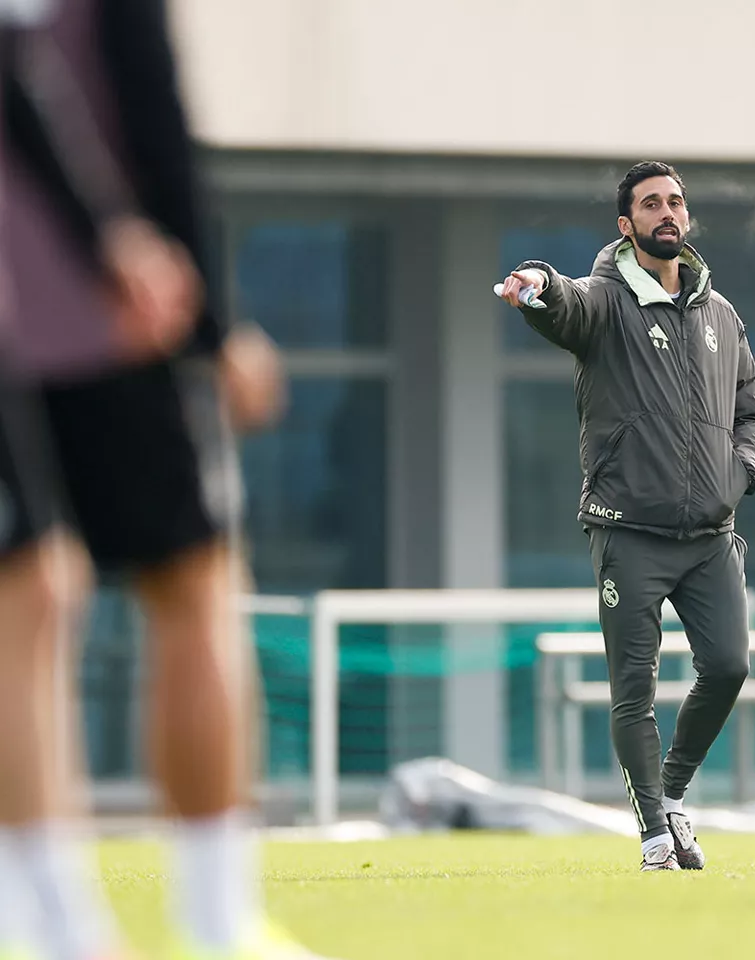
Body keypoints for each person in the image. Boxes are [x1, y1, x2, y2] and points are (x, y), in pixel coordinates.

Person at [0, 1, 332, 957]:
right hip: (82, 312)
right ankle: (141, 925)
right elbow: (110, 97)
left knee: (48, 591)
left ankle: (121, 922)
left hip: (85, 312)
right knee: (97, 587)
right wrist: (181, 300)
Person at [498, 161, 755, 872]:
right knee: (634, 692)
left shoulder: (720, 314)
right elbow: (563, 302)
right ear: (627, 225)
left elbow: (752, 409)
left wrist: (741, 473)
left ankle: (671, 794)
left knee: (729, 666)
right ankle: (653, 835)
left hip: (710, 536)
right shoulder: (605, 301)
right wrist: (537, 283)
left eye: (675, 201)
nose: (666, 212)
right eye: (650, 204)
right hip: (629, 532)